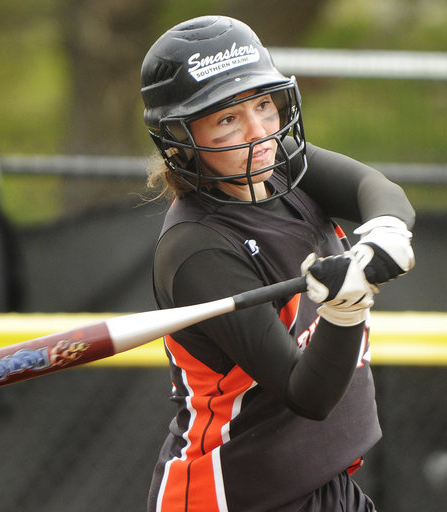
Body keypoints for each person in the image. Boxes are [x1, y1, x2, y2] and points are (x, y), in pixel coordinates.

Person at [139, 15, 415, 512]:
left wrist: (386, 230)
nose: (258, 131)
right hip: (234, 495)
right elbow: (305, 394)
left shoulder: (282, 163)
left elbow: (374, 190)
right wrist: (344, 312)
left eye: (263, 105)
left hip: (320, 486)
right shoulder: (196, 248)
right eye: (227, 119)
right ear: (179, 138)